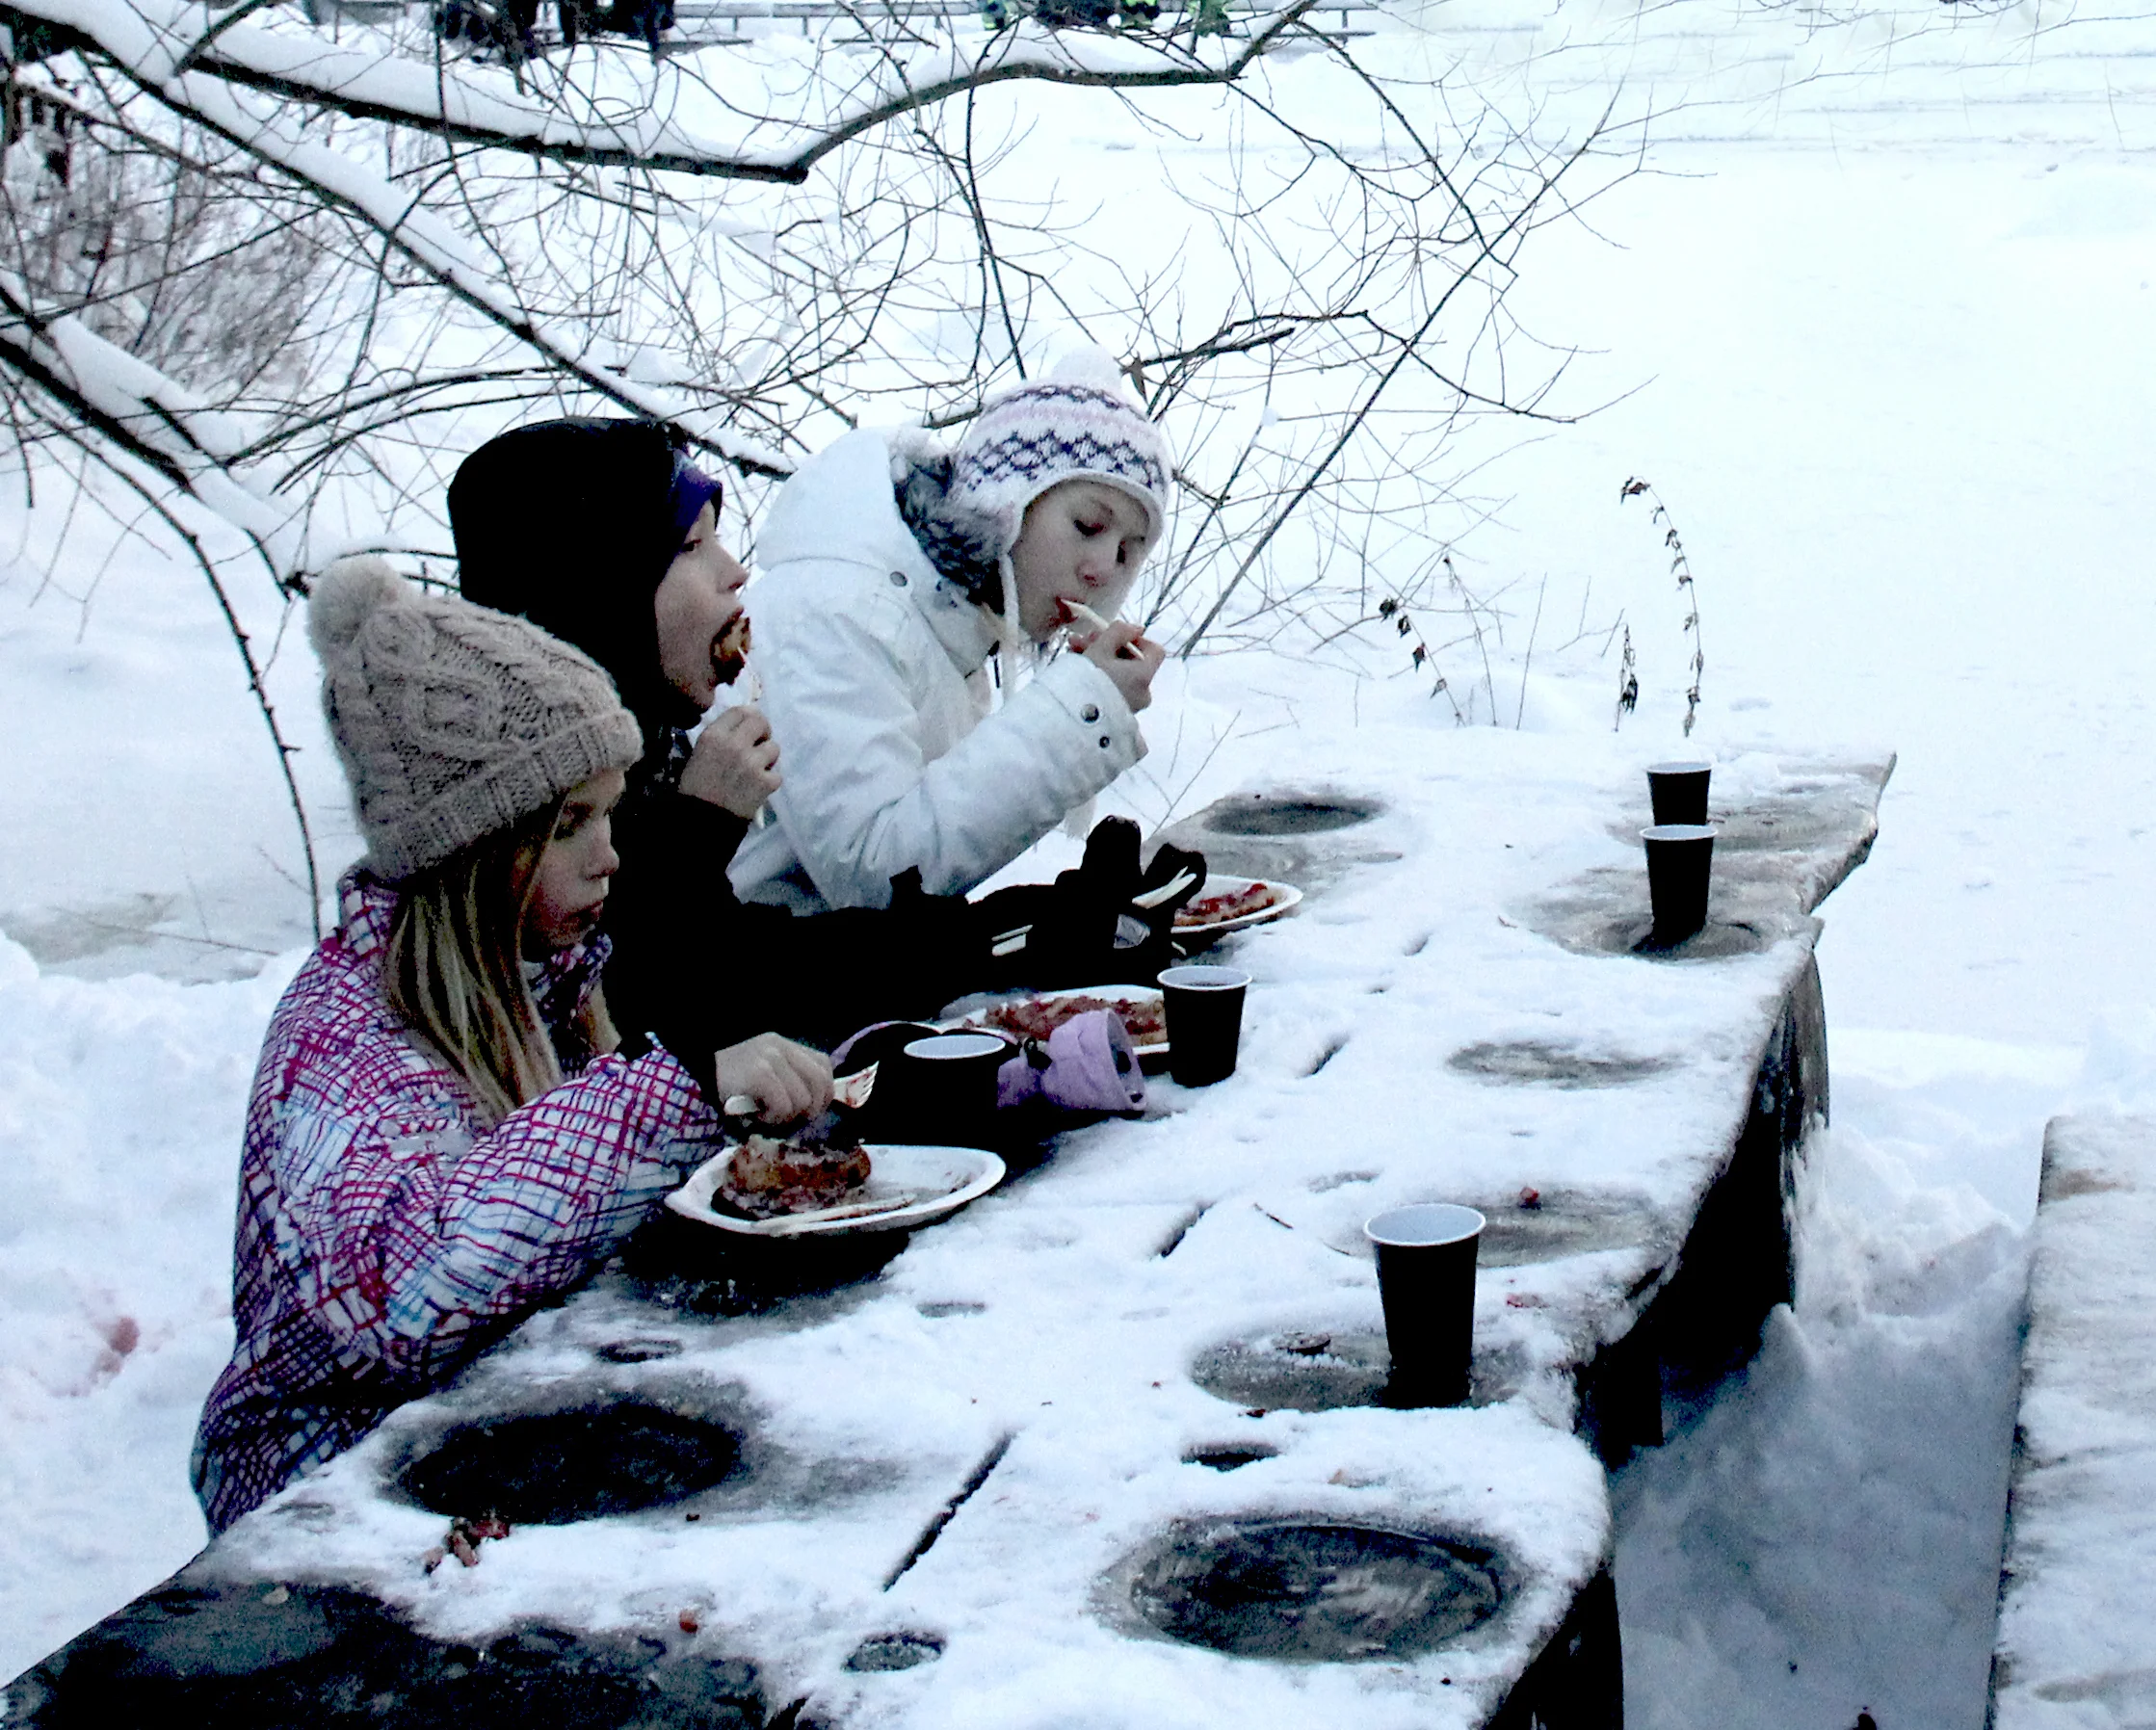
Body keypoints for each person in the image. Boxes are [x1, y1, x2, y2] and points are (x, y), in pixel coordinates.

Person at [190, 558, 831, 1533]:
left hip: (477, 1461)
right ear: (471, 846)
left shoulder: (555, 979)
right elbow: (403, 1290)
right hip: (320, 1514)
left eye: (610, 812)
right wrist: (667, 1098)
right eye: (571, 822)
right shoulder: (340, 1045)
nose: (610, 852)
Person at [449, 416, 1200, 1055]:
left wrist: (1009, 931)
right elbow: (657, 1002)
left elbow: (765, 957)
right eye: (690, 547)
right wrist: (700, 827)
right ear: (598, 586)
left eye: (1132, 549)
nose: (738, 573)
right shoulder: (532, 808)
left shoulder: (648, 754)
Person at [727, 348, 1173, 914]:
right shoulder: (840, 610)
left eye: (1128, 550)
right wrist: (1080, 711)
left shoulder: (949, 628)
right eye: (1088, 525)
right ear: (1006, 499)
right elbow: (874, 879)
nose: (1102, 568)